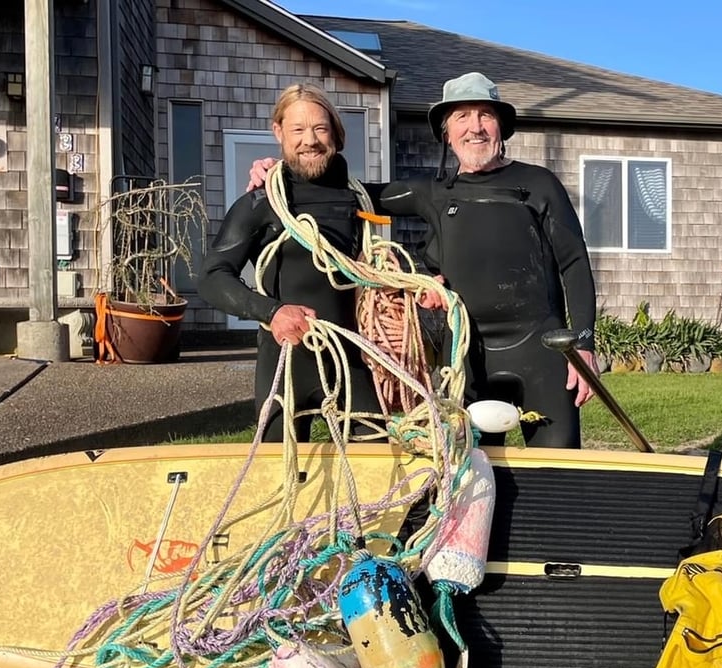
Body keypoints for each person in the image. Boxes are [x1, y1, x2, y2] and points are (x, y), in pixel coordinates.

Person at [249, 72, 599, 449]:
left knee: (558, 471)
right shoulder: (431, 193)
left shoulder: (540, 184)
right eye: (462, 118)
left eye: (485, 115)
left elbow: (575, 263)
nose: (475, 128)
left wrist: (583, 343)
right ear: (446, 133)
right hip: (464, 357)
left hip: (541, 350)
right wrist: (279, 173)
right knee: (472, 478)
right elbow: (345, 195)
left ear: (501, 126)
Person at [200, 83, 382, 442]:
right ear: (279, 133)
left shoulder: (360, 200)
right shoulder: (260, 203)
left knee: (377, 471)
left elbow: (430, 201)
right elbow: (212, 276)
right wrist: (272, 312)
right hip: (284, 364)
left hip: (352, 362)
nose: (309, 140)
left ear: (336, 135)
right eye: (298, 129)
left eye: (320, 128)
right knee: (281, 478)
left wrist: (427, 276)